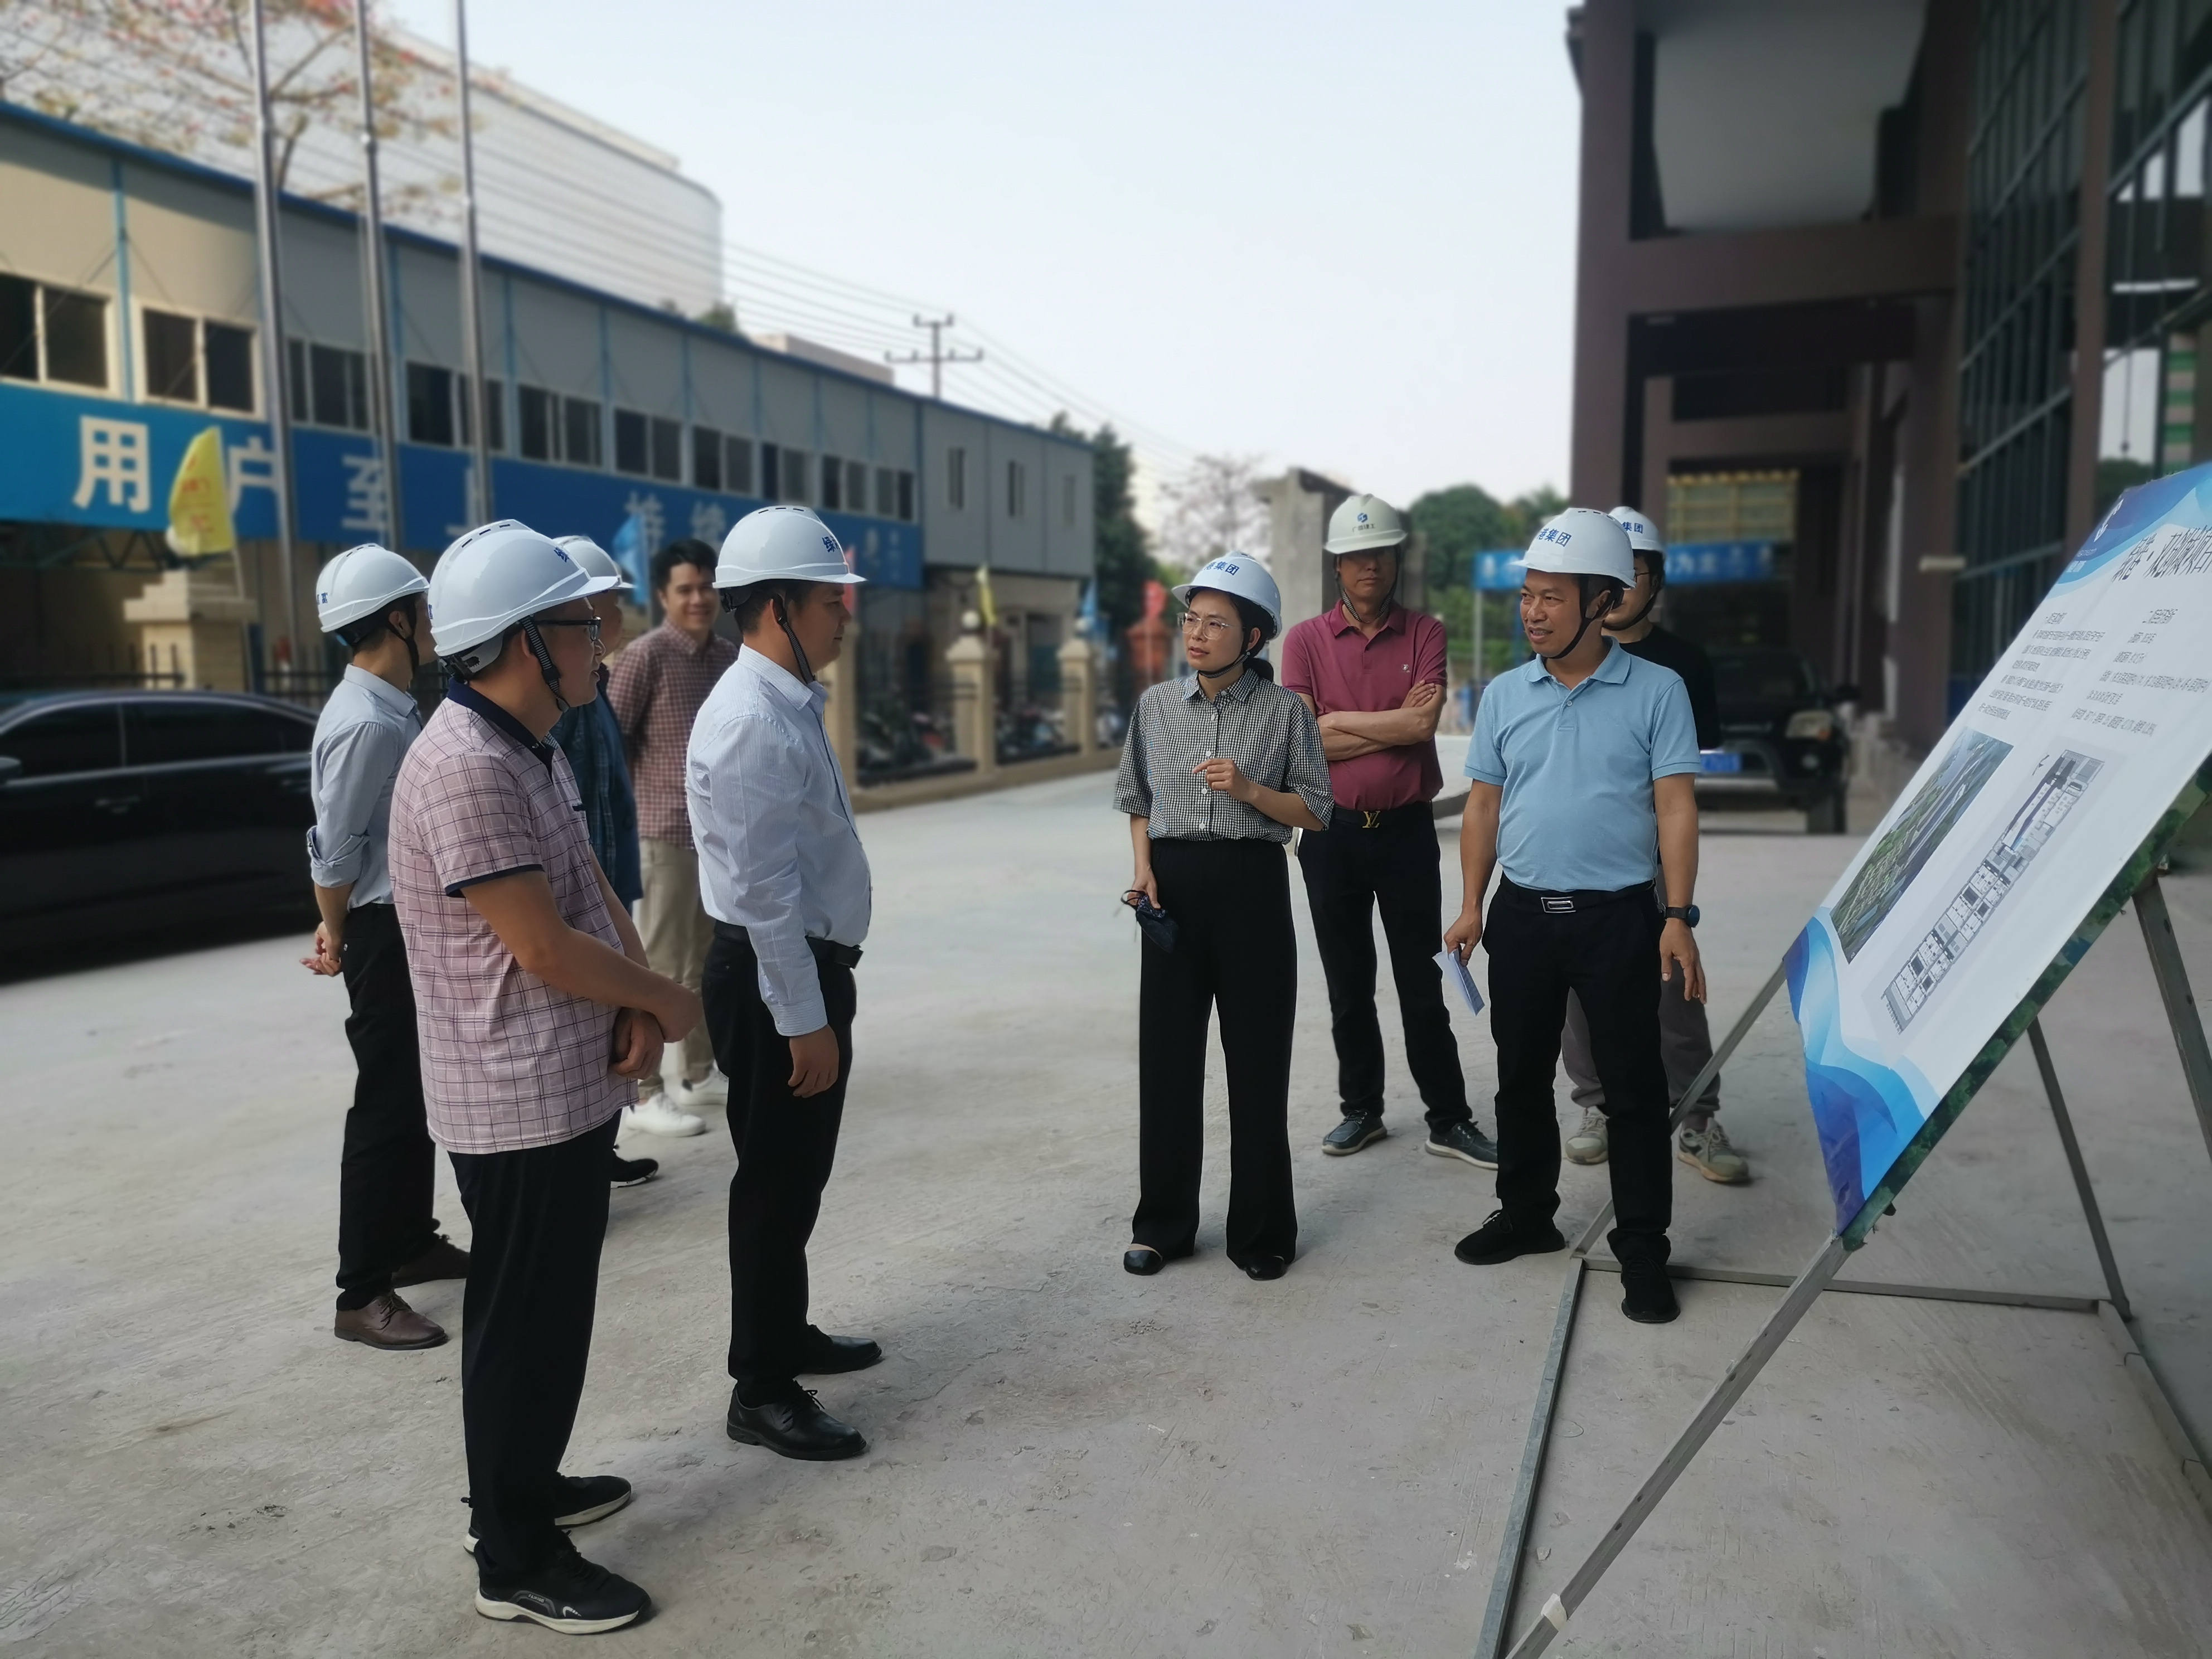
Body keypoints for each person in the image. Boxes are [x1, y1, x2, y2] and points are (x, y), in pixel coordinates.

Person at [390, 520, 701, 1632]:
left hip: (560, 1081)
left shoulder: (531, 742)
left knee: (552, 1313)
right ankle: (511, 1551)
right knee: (522, 1324)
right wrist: (668, 1000)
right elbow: (539, 944)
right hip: (510, 1098)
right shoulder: (466, 767)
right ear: (529, 641)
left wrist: (637, 997)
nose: (598, 644)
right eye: (581, 626)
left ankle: (527, 1485)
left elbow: (590, 889)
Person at [1443, 508, 1705, 1326]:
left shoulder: (1657, 691)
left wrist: (1676, 914)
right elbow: (1483, 806)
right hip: (1522, 916)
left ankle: (1643, 1249)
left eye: (1551, 598)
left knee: (1633, 1089)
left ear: (1601, 601)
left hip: (1618, 919)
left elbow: (1675, 807)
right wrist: (1471, 906)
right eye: (1527, 596)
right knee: (1519, 1076)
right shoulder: (1504, 695)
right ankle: (1526, 1215)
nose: (1533, 611)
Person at [688, 506, 880, 1462]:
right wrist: (804, 1018)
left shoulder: (782, 700)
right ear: (778, 609)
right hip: (775, 975)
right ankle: (760, 1388)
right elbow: (763, 893)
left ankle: (785, 1331)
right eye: (828, 602)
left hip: (798, 967)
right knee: (772, 1181)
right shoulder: (750, 722)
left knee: (797, 1174)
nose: (843, 617)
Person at [1115, 554, 1333, 1282]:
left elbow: (1315, 811)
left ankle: (1262, 1233)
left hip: (1252, 887)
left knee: (1258, 1063)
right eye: (1192, 619)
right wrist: (1144, 868)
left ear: (1254, 637)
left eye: (1216, 623)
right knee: (1168, 1063)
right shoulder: (1155, 708)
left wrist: (1248, 789)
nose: (1197, 634)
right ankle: (1162, 1226)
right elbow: (1138, 800)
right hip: (1172, 887)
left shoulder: (1286, 713)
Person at [1281, 492, 1497, 1169]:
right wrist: (1390, 727)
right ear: (1337, 567)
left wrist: (1338, 723)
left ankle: (1448, 1119)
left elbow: (1422, 725)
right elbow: (1300, 744)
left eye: (1379, 553)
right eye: (1355, 556)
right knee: (1348, 985)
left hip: (1405, 833)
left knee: (1420, 982)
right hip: (1330, 835)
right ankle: (1361, 1110)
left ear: (1395, 559)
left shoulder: (1425, 633)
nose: (1368, 565)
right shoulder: (1305, 641)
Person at [302, 543, 469, 1351]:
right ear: (398, 621)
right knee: (385, 1106)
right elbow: (335, 850)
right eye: (424, 610)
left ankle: (409, 1242)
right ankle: (360, 1292)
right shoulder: (367, 721)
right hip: (382, 931)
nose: (433, 624)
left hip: (398, 923)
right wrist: (336, 928)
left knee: (413, 1096)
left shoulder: (392, 706)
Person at [1558, 507, 1747, 1183]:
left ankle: (1694, 1115)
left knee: (1673, 987)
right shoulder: (1558, 657)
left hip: (1654, 856)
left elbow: (1687, 779)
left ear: (1654, 581)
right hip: (1580, 852)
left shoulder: (1682, 666)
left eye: (1632, 571)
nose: (1617, 584)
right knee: (1578, 989)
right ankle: (1597, 1106)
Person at [607, 536, 738, 1137]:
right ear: (663, 596)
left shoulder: (729, 658)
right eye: (685, 589)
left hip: (718, 838)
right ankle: (644, 1092)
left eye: (707, 587)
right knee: (660, 964)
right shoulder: (646, 657)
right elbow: (614, 741)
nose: (698, 598)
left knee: (708, 959)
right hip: (663, 834)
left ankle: (700, 1073)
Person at [550, 535, 658, 1191]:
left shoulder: (598, 685)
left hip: (609, 879)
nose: (621, 613)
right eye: (612, 602)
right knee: (588, 1018)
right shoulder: (564, 699)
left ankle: (601, 1146)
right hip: (578, 889)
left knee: (610, 1016)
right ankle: (582, 1160)